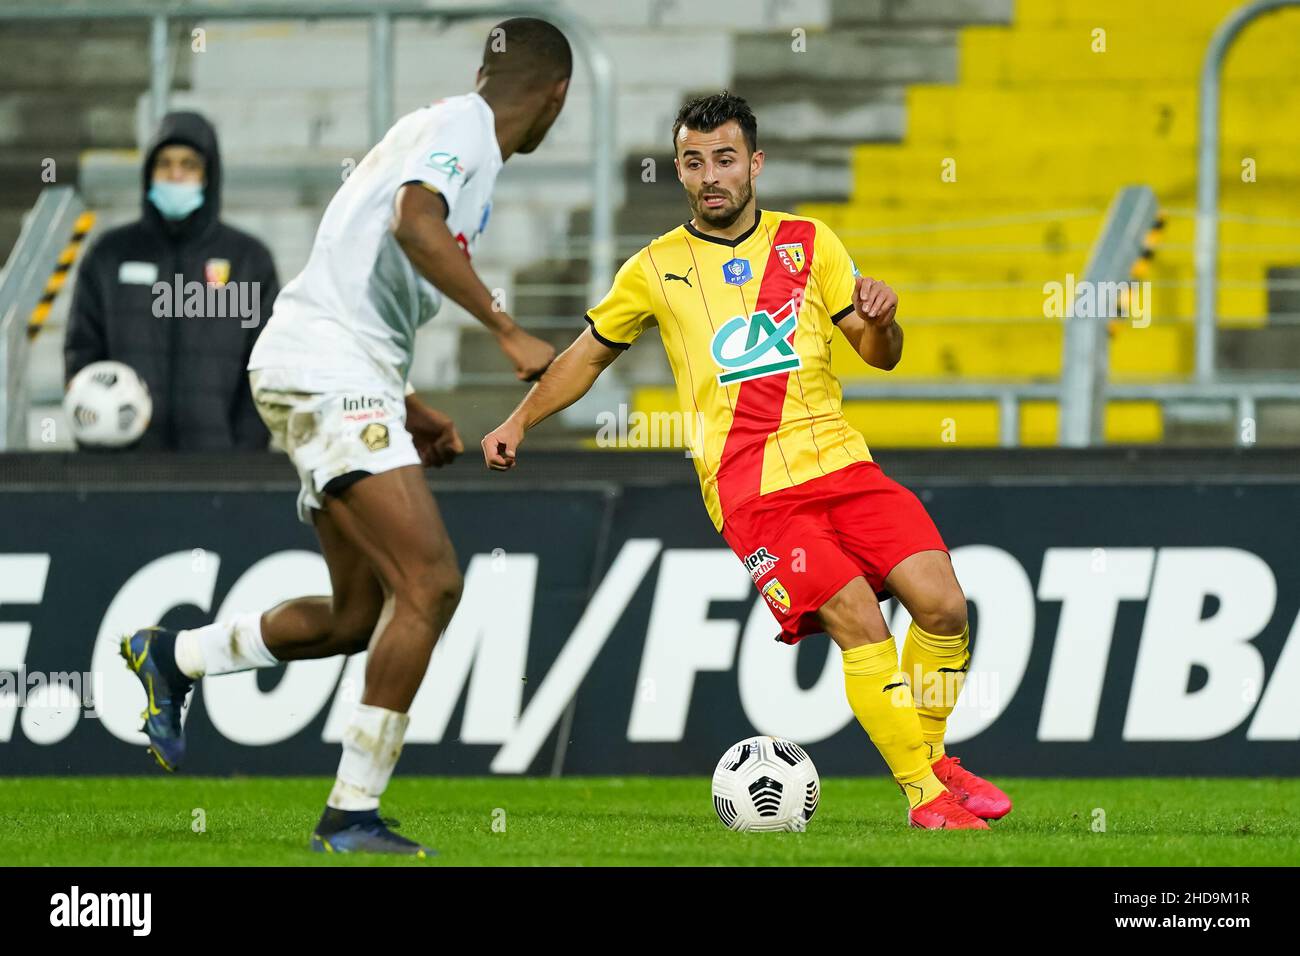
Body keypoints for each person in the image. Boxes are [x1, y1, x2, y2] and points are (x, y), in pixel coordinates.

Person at [482, 92, 1011, 830]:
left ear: (753, 163)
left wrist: (888, 322)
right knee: (860, 621)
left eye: (724, 159)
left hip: (845, 466)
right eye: (694, 163)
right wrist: (519, 419)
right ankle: (926, 797)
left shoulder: (810, 242)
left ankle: (932, 755)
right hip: (754, 492)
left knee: (945, 606)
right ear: (679, 170)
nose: (710, 176)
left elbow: (878, 355)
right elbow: (586, 357)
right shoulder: (655, 267)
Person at [119, 17, 568, 855]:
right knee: (432, 584)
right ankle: (350, 813)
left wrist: (410, 406)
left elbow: (359, 278)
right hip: (328, 371)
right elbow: (413, 225)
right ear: (559, 97)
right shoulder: (462, 128)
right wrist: (505, 328)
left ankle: (173, 656)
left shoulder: (443, 134)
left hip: (338, 368)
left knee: (359, 614)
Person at [65, 111, 277, 450]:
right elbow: (83, 352)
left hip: (220, 471)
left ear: (209, 176)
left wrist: (242, 454)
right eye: (164, 163)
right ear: (149, 174)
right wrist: (99, 437)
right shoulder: (108, 254)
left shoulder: (248, 261)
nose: (175, 175)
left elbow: (266, 366)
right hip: (125, 467)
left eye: (189, 164)